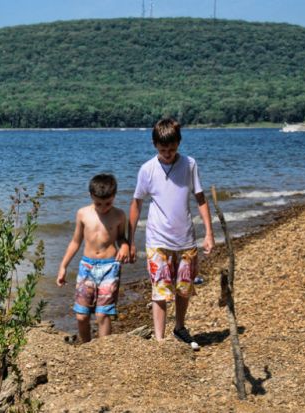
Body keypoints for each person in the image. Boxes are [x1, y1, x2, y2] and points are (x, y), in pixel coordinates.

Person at [128, 117, 215, 349]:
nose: (168, 153)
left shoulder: (189, 164)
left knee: (183, 289)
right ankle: (159, 339)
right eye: (163, 148)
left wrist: (209, 233)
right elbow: (136, 204)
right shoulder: (147, 170)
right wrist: (130, 240)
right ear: (154, 144)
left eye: (172, 148)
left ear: (179, 143)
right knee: (160, 290)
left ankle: (179, 327)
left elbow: (201, 199)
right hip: (157, 240)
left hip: (185, 239)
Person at [57, 173, 129, 343]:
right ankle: (86, 347)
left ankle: (103, 351)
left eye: (108, 203)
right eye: (99, 203)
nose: (104, 208)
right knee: (82, 315)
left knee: (102, 314)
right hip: (87, 267)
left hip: (110, 267)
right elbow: (75, 241)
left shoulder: (119, 215)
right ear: (91, 196)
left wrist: (125, 246)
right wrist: (63, 266)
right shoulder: (83, 214)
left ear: (114, 196)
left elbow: (121, 238)